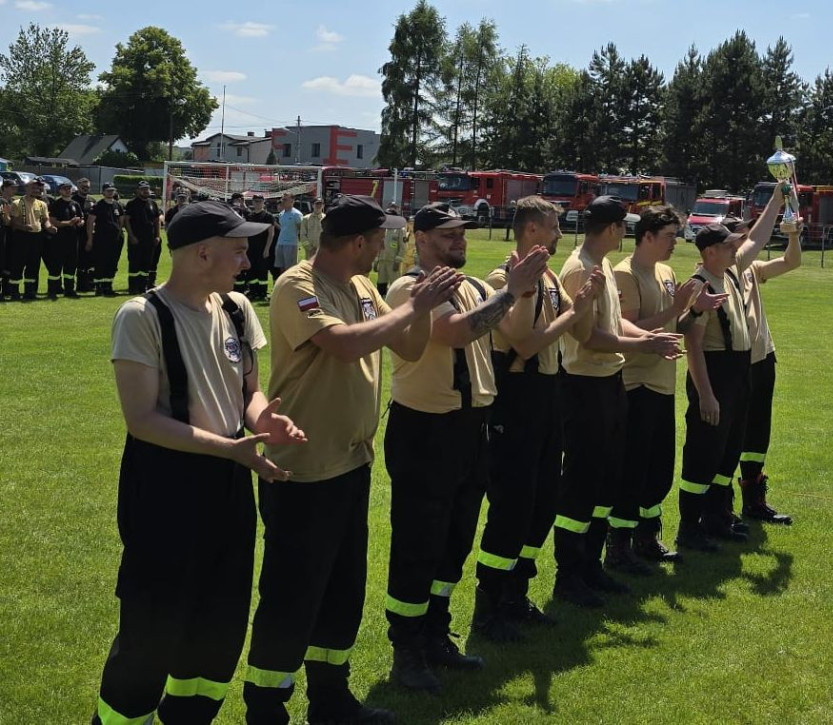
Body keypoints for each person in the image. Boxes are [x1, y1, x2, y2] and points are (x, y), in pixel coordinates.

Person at [243, 195, 460, 725]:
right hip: (303, 465)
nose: (387, 247)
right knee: (293, 592)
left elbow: (406, 348)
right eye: (382, 238)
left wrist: (422, 308)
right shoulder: (298, 284)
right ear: (359, 242)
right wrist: (413, 307)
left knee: (342, 590)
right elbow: (343, 345)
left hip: (351, 461)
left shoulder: (363, 286)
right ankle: (266, 707)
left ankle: (330, 699)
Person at [92, 200, 306, 725]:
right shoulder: (142, 316)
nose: (247, 263)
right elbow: (142, 419)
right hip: (167, 485)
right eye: (238, 252)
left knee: (220, 622)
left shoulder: (236, 308)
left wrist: (263, 422)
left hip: (229, 478)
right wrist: (229, 448)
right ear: (202, 254)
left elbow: (248, 393)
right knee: (153, 625)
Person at [383, 202, 548, 693]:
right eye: (448, 235)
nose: (460, 242)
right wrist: (511, 291)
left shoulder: (473, 285)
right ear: (420, 237)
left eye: (462, 234)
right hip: (425, 428)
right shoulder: (409, 287)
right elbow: (454, 332)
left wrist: (515, 293)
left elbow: (501, 327)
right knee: (418, 542)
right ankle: (406, 649)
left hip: (470, 425)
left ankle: (435, 631)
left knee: (455, 538)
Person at [471, 195, 602, 643]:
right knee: (512, 503)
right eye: (553, 226)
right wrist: (574, 312)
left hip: (548, 393)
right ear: (531, 230)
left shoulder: (547, 278)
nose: (561, 234)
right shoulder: (501, 279)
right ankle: (488, 607)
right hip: (517, 398)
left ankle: (516, 594)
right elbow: (524, 344)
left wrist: (580, 308)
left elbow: (573, 324)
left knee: (543, 500)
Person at [553, 196, 682, 608]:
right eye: (622, 225)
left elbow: (614, 321)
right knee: (581, 484)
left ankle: (592, 566)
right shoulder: (579, 269)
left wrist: (644, 338)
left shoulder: (603, 264)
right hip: (584, 384)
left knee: (607, 479)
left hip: (609, 381)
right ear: (610, 229)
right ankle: (569, 575)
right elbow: (588, 336)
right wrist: (642, 342)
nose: (626, 230)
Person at [611, 206, 727, 566]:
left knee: (659, 470)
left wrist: (693, 312)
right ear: (646, 236)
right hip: (636, 382)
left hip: (663, 383)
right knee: (632, 469)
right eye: (669, 236)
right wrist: (677, 307)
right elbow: (626, 327)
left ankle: (647, 537)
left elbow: (675, 325)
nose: (675, 242)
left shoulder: (665, 271)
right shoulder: (624, 274)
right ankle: (619, 547)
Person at [676, 188, 784, 552]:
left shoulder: (732, 272)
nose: (736, 248)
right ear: (710, 252)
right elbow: (692, 345)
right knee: (704, 455)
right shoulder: (699, 284)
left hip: (737, 375)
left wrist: (779, 199)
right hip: (715, 376)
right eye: (729, 245)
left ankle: (718, 516)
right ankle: (690, 527)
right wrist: (705, 393)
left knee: (728, 453)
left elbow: (759, 237)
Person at [734, 203, 801, 525]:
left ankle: (753, 499)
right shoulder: (723, 269)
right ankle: (718, 508)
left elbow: (792, 261)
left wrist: (793, 236)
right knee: (733, 432)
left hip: (763, 356)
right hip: (734, 362)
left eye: (746, 231)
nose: (745, 236)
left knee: (759, 431)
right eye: (739, 233)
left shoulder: (752, 269)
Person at [7, 178, 56, 301]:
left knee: (33, 265)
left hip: (37, 237)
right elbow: (13, 223)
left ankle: (30, 291)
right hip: (22, 237)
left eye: (38, 188)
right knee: (18, 265)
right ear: (26, 188)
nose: (36, 190)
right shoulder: (17, 203)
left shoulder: (42, 204)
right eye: (33, 188)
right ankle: (14, 292)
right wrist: (23, 227)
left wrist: (50, 228)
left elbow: (45, 221)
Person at [45, 180, 86, 298]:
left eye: (69, 188)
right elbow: (53, 221)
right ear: (60, 191)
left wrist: (80, 222)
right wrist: (69, 223)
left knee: (71, 266)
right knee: (56, 267)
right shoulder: (57, 204)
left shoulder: (75, 204)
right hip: (59, 241)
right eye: (65, 189)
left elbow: (81, 217)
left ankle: (69, 290)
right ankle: (52, 290)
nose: (68, 190)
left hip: (73, 240)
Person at [88, 183, 126, 297]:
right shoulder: (98, 205)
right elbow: (90, 222)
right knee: (101, 262)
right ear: (103, 192)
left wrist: (119, 231)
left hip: (115, 240)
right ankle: (99, 287)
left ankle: (108, 286)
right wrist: (90, 239)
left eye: (112, 190)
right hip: (102, 239)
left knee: (112, 263)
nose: (110, 192)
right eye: (108, 190)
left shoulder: (117, 205)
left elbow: (121, 220)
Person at [125, 181, 163, 294]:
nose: (145, 191)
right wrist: (131, 236)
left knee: (147, 263)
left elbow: (157, 221)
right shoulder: (132, 203)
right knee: (135, 263)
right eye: (143, 189)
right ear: (138, 190)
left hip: (149, 239)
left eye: (147, 189)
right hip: (136, 238)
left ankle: (143, 286)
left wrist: (157, 236)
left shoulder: (153, 203)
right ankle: (133, 287)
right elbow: (126, 220)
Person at [372, 203, 407, 296]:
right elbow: (378, 245)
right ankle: (382, 301)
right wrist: (376, 261)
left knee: (395, 285)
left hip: (393, 262)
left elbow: (403, 246)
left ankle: (395, 302)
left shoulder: (400, 229)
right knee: (381, 284)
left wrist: (398, 261)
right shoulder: (383, 229)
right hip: (382, 260)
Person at [72, 177, 96, 294]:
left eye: (87, 187)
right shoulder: (73, 199)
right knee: (80, 260)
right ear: (78, 186)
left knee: (91, 261)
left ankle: (90, 283)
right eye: (83, 186)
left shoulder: (92, 200)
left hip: (90, 234)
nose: (85, 188)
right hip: (77, 235)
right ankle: (81, 285)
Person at [273, 192, 303, 278]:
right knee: (281, 267)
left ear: (292, 201)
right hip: (280, 243)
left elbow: (301, 229)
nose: (283, 201)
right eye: (282, 199)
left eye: (285, 199)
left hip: (291, 244)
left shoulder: (297, 214)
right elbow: (283, 228)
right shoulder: (281, 214)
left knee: (290, 269)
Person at [0, 177, 15, 299]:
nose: (14, 189)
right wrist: (7, 215)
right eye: (12, 187)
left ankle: (7, 290)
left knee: (9, 263)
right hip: (2, 236)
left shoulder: (13, 202)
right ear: (4, 188)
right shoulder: (1, 202)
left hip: (11, 237)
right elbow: (6, 221)